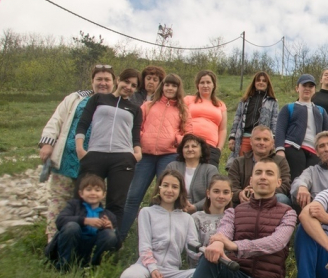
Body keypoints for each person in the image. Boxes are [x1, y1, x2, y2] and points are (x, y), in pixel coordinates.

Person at [39, 64, 115, 241]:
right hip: (67, 158)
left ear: (114, 82)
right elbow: (56, 120)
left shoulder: (116, 103)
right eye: (99, 79)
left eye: (107, 80)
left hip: (95, 163)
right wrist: (47, 143)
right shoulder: (76, 98)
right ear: (92, 81)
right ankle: (53, 240)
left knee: (89, 201)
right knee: (59, 200)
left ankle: (81, 241)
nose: (103, 83)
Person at [119, 73, 192, 240]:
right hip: (145, 155)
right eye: (167, 85)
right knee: (133, 196)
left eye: (173, 86)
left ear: (178, 88)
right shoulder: (147, 105)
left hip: (168, 156)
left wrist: (175, 139)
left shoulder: (182, 110)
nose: (170, 88)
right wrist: (143, 138)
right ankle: (118, 238)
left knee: (164, 197)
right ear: (162, 86)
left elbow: (188, 133)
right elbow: (137, 127)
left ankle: (159, 239)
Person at [75, 68, 143, 231]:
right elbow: (83, 123)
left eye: (133, 85)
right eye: (126, 82)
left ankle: (109, 243)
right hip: (95, 155)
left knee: (116, 204)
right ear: (118, 80)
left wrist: (137, 153)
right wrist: (80, 148)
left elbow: (135, 133)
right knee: (84, 198)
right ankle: (80, 240)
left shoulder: (135, 109)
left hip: (123, 158)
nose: (129, 87)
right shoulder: (98, 99)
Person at [118, 171, 197, 278]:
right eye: (165, 185)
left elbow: (193, 250)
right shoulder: (147, 212)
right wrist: (153, 268)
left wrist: (208, 252)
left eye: (174, 187)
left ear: (180, 191)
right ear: (159, 188)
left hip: (170, 273)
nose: (169, 190)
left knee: (200, 275)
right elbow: (144, 245)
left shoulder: (187, 219)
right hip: (145, 268)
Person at [44, 174, 119, 270]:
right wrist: (85, 221)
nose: (93, 193)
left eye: (97, 190)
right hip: (71, 244)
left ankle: (92, 267)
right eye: (88, 189)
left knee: (110, 235)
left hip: (90, 249)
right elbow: (60, 221)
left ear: (103, 194)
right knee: (72, 226)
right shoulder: (74, 205)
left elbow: (118, 244)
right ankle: (65, 266)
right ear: (81, 193)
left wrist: (111, 229)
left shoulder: (109, 215)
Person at [274, 74, 328, 180]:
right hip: (293, 148)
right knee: (295, 179)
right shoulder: (289, 108)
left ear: (314, 90)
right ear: (297, 88)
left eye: (310, 86)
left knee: (313, 180)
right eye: (304, 85)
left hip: (314, 151)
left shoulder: (321, 111)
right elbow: (280, 129)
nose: (307, 88)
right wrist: (279, 150)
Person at [228, 126, 292, 206]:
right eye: (258, 139)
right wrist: (240, 194)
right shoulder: (238, 162)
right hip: (245, 201)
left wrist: (262, 193)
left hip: (271, 200)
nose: (261, 142)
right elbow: (231, 186)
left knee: (281, 198)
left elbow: (285, 185)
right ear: (251, 141)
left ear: (272, 143)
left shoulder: (280, 161)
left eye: (265, 139)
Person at [226, 71, 279, 168]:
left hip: (262, 140)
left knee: (260, 166)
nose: (261, 82)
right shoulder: (245, 100)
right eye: (258, 80)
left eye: (264, 81)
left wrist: (273, 139)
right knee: (242, 166)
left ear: (267, 84)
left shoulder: (272, 102)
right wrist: (232, 137)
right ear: (254, 83)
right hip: (245, 137)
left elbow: (274, 121)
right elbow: (237, 118)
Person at [289, 131, 328, 212]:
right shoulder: (311, 171)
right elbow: (299, 181)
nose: (327, 149)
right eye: (322, 146)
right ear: (316, 152)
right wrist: (301, 186)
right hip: (317, 215)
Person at [165, 134, 220, 213]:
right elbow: (165, 189)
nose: (190, 149)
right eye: (186, 147)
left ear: (201, 151)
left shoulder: (210, 170)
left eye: (194, 146)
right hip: (174, 210)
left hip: (201, 212)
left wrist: (195, 207)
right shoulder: (173, 166)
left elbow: (214, 194)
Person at [185, 70, 227, 168]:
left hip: (211, 147)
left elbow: (223, 129)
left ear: (213, 85)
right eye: (202, 82)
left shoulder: (220, 105)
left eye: (208, 82)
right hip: (189, 144)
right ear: (197, 85)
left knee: (208, 179)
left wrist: (219, 149)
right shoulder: (188, 100)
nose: (205, 85)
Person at [190, 174, 233, 267]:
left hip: (228, 268)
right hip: (200, 268)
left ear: (231, 196)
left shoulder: (234, 219)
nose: (221, 196)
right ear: (208, 193)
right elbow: (191, 248)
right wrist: (210, 257)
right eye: (216, 191)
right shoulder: (196, 218)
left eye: (226, 192)